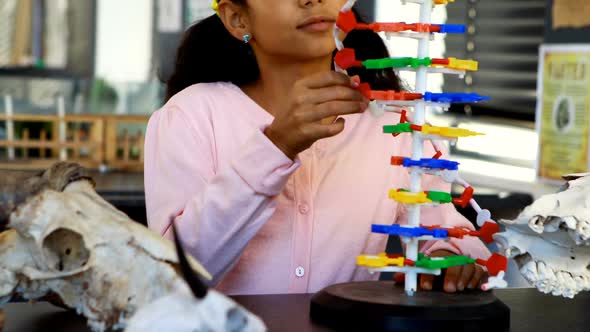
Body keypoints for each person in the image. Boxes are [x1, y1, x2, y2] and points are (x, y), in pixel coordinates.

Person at [144, 0, 491, 295]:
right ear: (238, 19)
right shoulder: (190, 116)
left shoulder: (391, 123)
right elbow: (169, 277)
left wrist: (449, 255)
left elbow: (447, 230)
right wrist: (276, 146)